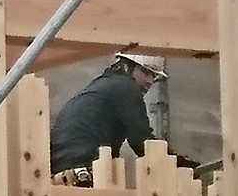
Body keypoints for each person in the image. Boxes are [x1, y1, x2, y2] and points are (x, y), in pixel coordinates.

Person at [49, 51, 165, 184]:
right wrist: (181, 164)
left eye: (154, 76)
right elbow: (142, 142)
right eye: (145, 72)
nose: (149, 81)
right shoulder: (125, 88)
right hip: (84, 165)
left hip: (63, 169)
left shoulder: (102, 86)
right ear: (126, 66)